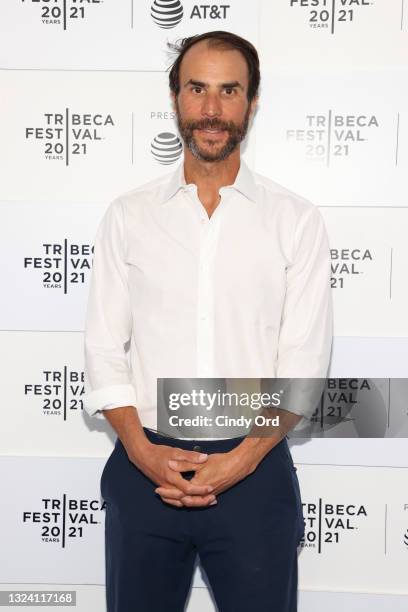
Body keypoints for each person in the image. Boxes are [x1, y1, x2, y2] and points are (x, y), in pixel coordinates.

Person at [83, 30, 333, 612]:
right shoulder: (128, 216)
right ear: (175, 99)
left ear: (252, 102)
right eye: (198, 89)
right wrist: (144, 453)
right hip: (144, 466)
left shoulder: (296, 221)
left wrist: (239, 461)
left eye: (230, 91)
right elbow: (103, 347)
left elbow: (303, 361)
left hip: (256, 469)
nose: (212, 109)